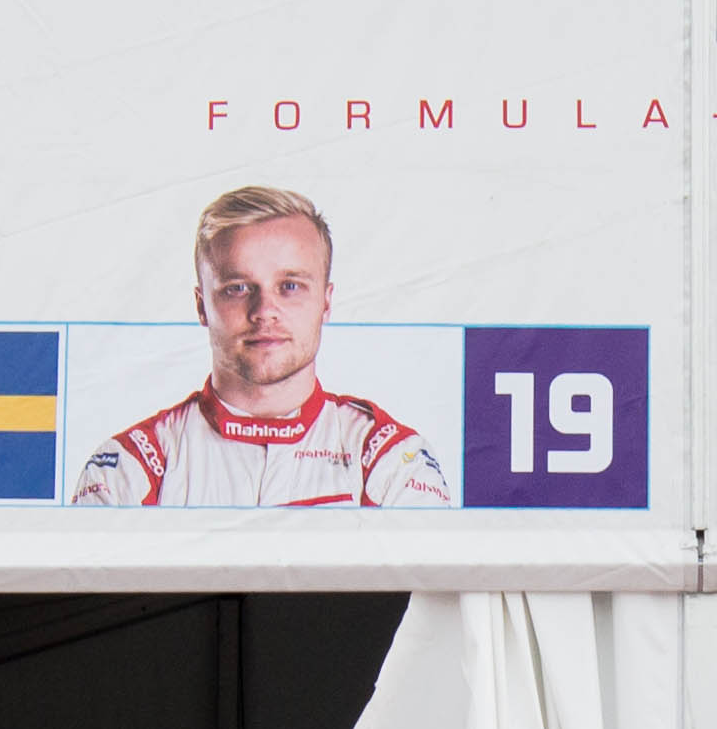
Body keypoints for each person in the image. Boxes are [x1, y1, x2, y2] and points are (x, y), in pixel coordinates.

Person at [63, 179, 454, 507]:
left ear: (326, 301)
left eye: (290, 286)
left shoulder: (389, 461)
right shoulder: (131, 468)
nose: (264, 310)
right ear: (202, 306)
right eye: (237, 288)